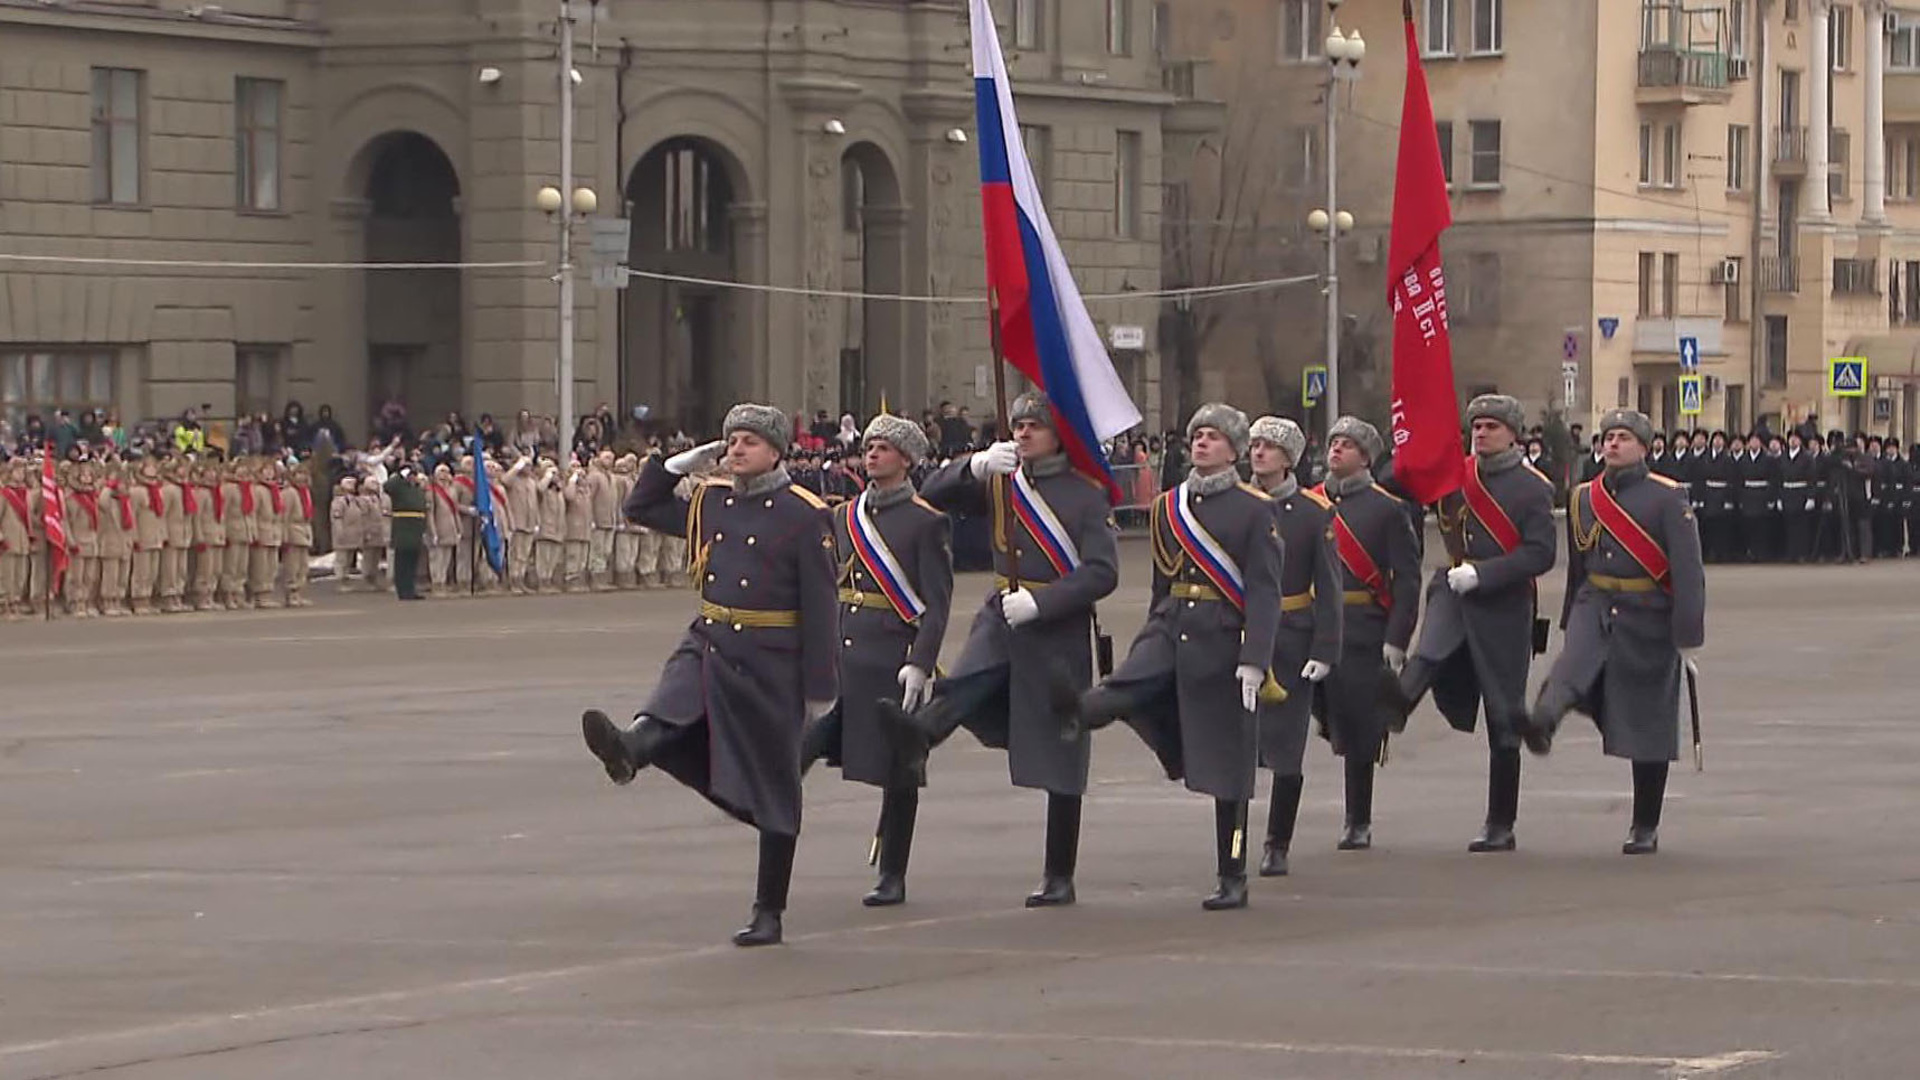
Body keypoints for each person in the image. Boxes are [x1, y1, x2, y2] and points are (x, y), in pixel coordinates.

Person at [582, 403, 838, 947]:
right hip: (712, 639)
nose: (737, 449)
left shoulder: (804, 513)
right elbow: (642, 506)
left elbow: (821, 603)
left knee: (775, 786)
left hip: (772, 656)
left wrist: (820, 687)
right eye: (731, 440)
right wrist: (672, 466)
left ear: (775, 450)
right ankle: (628, 750)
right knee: (670, 704)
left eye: (749, 441)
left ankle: (769, 908)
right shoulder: (712, 500)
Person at [879, 391, 1119, 907]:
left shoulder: (1085, 495)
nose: (1024, 433)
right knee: (969, 677)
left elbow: (1103, 572)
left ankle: (1059, 873)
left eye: (1036, 425)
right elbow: (931, 495)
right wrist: (974, 466)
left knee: (1062, 750)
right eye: (1020, 424)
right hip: (1001, 613)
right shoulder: (1000, 480)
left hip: (1056, 625)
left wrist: (1044, 602)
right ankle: (923, 732)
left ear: (1059, 436)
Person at [1069, 405, 1282, 910]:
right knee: (1127, 688)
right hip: (1171, 626)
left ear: (1233, 449)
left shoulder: (1255, 509)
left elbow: (1264, 590)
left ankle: (1232, 873)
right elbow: (1162, 582)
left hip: (1223, 635)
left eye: (1214, 437)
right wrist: (1148, 633)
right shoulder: (1170, 506)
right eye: (1197, 436)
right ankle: (1074, 710)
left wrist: (1256, 658)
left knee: (1229, 765)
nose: (1203, 443)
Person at [1523, 409, 1706, 855]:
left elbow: (1687, 570)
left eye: (1623, 438)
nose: (1613, 445)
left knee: (1648, 721)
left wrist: (1686, 632)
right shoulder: (1584, 497)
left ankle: (1645, 824)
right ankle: (1543, 721)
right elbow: (1579, 568)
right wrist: (1570, 617)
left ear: (1645, 447)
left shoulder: (1668, 498)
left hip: (1649, 613)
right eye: (1608, 437)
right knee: (1571, 666)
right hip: (1596, 602)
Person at [801, 414, 953, 907]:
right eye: (868, 446)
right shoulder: (845, 517)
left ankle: (893, 873)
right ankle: (767, 815)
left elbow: (936, 603)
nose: (872, 454)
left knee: (899, 770)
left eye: (884, 448)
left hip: (891, 656)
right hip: (844, 653)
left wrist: (921, 662)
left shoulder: (927, 522)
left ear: (906, 459)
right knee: (801, 747)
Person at [1400, 395, 1557, 853]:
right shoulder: (1456, 474)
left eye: (1492, 426)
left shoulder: (1533, 488)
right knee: (1427, 653)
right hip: (1452, 586)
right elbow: (1406, 484)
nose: (1482, 433)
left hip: (1503, 603)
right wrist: (1417, 446)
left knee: (1503, 712)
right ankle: (1393, 708)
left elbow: (1540, 553)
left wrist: (1485, 574)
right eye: (1477, 426)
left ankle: (1500, 822)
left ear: (1513, 433)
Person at [1312, 416, 1421, 851]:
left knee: (1359, 727)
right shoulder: (1312, 502)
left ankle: (1358, 819)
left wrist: (1396, 639)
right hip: (1311, 624)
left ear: (1365, 457)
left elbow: (1407, 580)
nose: (1336, 450)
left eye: (1347, 445)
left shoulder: (1387, 508)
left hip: (1361, 628)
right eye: (1333, 442)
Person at [1240, 416, 1341, 878]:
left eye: (1268, 447)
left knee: (1286, 750)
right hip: (1240, 636)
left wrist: (1324, 649)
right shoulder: (1234, 505)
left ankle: (1277, 842)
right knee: (1236, 750)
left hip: (1292, 638)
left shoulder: (1313, 513)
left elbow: (1330, 587)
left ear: (1289, 459)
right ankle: (1234, 844)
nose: (1258, 453)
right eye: (1254, 445)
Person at [385, 464, 428, 601]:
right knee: (402, 562)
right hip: (403, 527)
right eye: (410, 475)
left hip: (416, 528)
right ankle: (402, 590)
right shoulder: (399, 487)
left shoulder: (418, 490)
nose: (413, 478)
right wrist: (400, 475)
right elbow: (388, 487)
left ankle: (410, 589)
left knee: (412, 562)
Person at [282, 462, 315, 607]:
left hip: (305, 529)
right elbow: (284, 516)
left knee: (303, 566)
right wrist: (284, 536)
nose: (302, 477)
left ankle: (300, 592)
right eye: (298, 474)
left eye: (304, 474)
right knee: (292, 565)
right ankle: (291, 593)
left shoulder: (306, 492)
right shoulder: (289, 493)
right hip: (293, 529)